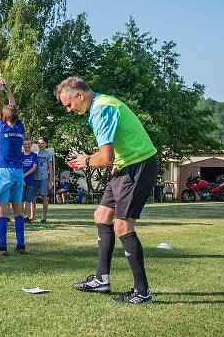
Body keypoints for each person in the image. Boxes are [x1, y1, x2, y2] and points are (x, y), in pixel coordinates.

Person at [57, 76, 157, 304]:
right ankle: (102, 279)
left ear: (79, 96)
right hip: (125, 165)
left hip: (137, 165)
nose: (69, 110)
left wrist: (87, 161)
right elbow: (107, 156)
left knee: (122, 226)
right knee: (102, 215)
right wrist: (89, 158)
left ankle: (142, 292)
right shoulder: (101, 105)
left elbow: (105, 158)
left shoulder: (102, 109)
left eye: (69, 105)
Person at [0, 78, 27, 255]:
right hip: (18, 172)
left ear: (4, 118)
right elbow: (13, 107)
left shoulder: (1, 128)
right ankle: (21, 246)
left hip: (4, 172)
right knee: (18, 211)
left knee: (2, 211)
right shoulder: (20, 128)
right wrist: (8, 88)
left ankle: (2, 247)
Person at [34, 137, 53, 222]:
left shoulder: (48, 154)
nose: (40, 144)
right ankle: (32, 216)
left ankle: (44, 218)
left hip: (44, 178)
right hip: (34, 178)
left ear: (46, 144)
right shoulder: (34, 154)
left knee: (44, 197)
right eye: (39, 143)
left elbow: (50, 168)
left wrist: (51, 181)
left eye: (42, 143)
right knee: (32, 197)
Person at [21, 137, 38, 221]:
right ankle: (20, 216)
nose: (27, 146)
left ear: (31, 145)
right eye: (25, 144)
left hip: (30, 181)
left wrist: (24, 175)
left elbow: (34, 167)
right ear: (22, 145)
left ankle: (26, 216)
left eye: (28, 144)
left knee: (28, 200)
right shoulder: (20, 155)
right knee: (21, 200)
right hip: (21, 181)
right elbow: (18, 167)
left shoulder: (34, 155)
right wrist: (22, 179)